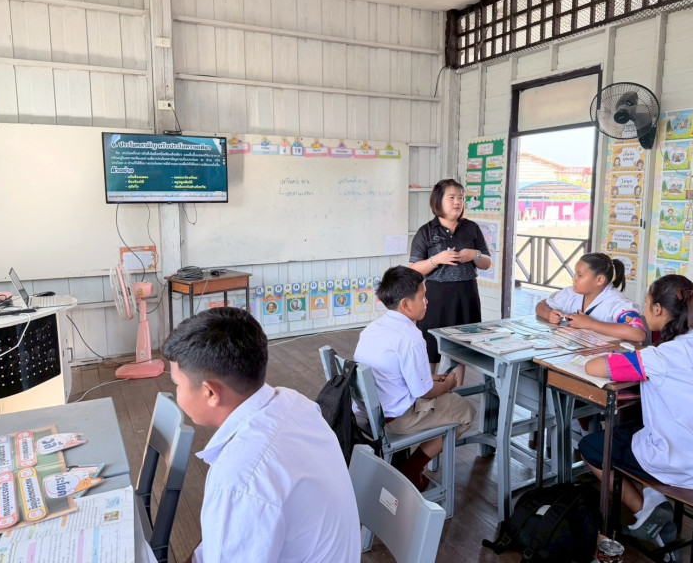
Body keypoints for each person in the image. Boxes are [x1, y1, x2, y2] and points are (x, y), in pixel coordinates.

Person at [162, 308, 361, 563]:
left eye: (177, 385)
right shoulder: (294, 402)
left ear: (210, 393)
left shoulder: (241, 479)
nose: (177, 394)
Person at [578, 275, 693, 550]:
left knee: (593, 446)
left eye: (646, 303)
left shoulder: (658, 358)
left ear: (658, 310)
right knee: (632, 427)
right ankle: (653, 496)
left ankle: (645, 511)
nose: (643, 309)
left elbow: (593, 367)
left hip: (684, 465)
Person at [353, 266, 475, 490]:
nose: (427, 302)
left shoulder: (372, 329)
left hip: (367, 414)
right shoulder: (411, 336)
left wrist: (429, 379)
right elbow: (424, 392)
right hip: (395, 420)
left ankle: (407, 467)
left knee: (440, 396)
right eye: (423, 296)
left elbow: (397, 374)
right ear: (406, 305)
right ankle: (410, 470)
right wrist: (448, 384)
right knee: (465, 411)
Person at [409, 178, 492, 384]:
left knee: (462, 346)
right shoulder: (426, 231)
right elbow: (414, 269)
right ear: (438, 200)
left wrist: (475, 255)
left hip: (467, 294)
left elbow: (487, 263)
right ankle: (428, 390)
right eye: (452, 197)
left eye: (461, 198)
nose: (457, 202)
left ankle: (456, 390)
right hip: (435, 296)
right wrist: (436, 260)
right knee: (430, 346)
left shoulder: (471, 228)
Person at [535, 252, 647, 343]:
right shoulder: (571, 293)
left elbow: (638, 333)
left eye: (580, 276)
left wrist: (591, 324)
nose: (574, 279)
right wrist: (548, 314)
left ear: (599, 280)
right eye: (575, 274)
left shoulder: (616, 302)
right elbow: (542, 305)